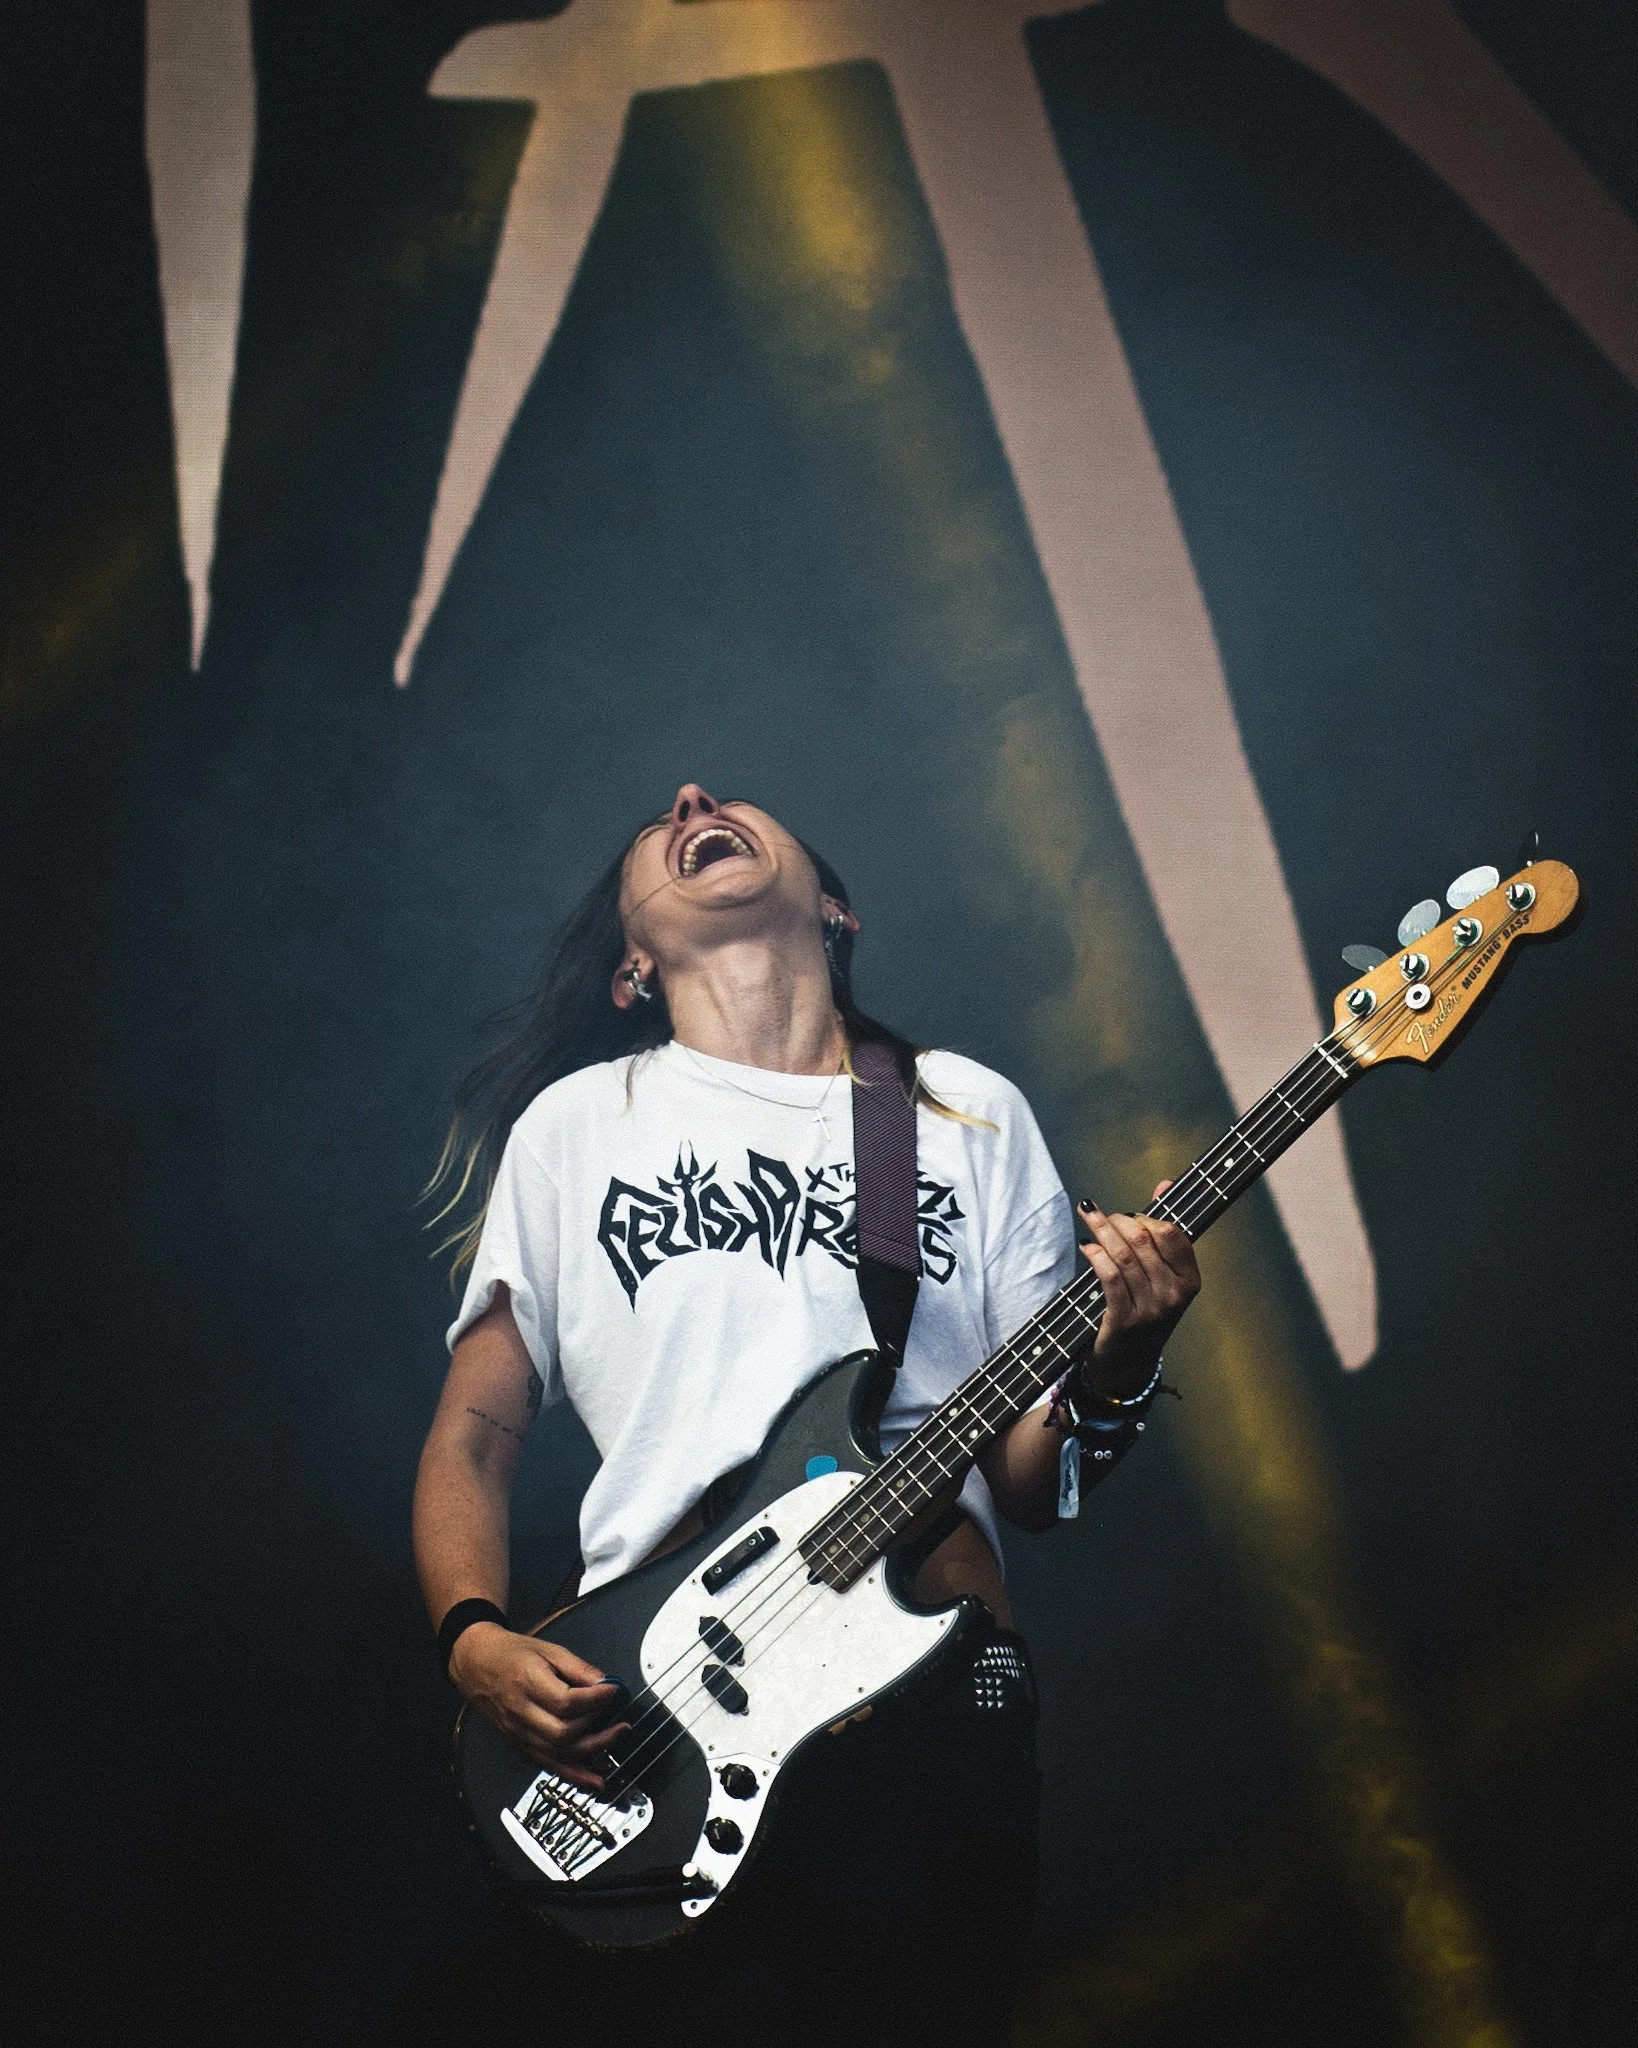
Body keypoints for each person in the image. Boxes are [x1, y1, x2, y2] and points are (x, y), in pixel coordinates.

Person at [409, 783, 1200, 2048]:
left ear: (834, 906)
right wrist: (471, 1635)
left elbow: (1031, 1482)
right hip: (649, 1708)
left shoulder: (963, 1108)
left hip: (929, 1696)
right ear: (630, 965)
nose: (693, 800)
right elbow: (473, 1436)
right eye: (661, 820)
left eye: (728, 800)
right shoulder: (578, 1128)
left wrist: (1120, 1363)